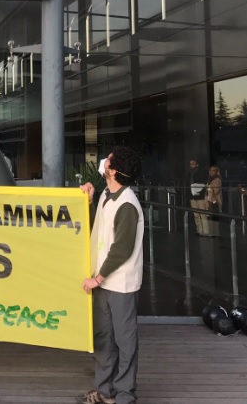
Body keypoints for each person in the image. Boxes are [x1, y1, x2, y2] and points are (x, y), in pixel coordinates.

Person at [78, 146, 144, 404]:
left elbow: (122, 248)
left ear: (113, 170)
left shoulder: (128, 204)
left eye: (109, 160)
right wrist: (91, 200)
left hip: (121, 284)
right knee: (104, 337)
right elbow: (100, 227)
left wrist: (98, 277)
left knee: (125, 341)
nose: (104, 161)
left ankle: (125, 394)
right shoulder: (107, 194)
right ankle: (105, 391)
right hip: (102, 281)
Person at [188, 159, 210, 237]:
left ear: (197, 164)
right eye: (190, 164)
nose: (191, 165)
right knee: (196, 214)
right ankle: (199, 230)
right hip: (192, 196)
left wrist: (203, 193)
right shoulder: (189, 174)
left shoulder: (202, 172)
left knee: (202, 214)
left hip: (200, 196)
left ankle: (205, 231)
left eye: (193, 164)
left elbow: (205, 184)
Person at [205, 165, 223, 238]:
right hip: (209, 201)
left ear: (216, 172)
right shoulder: (209, 180)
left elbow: (215, 191)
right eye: (210, 170)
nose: (211, 172)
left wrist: (209, 189)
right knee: (209, 217)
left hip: (214, 201)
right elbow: (207, 189)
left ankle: (216, 233)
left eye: (213, 170)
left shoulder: (217, 180)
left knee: (214, 217)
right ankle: (211, 232)